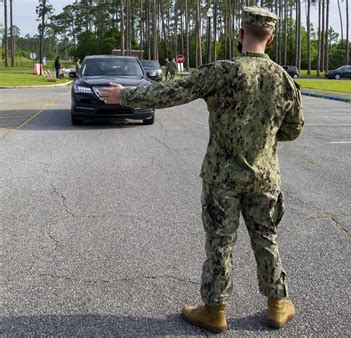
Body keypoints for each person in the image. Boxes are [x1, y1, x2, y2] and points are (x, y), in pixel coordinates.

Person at [99, 6, 303, 333]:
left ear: (241, 34)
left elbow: (172, 92)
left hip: (222, 177)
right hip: (264, 177)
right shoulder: (284, 80)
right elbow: (294, 130)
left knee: (221, 243)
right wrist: (262, 135)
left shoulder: (223, 72)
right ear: (272, 37)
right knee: (266, 237)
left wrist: (126, 96)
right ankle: (277, 305)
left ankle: (214, 311)